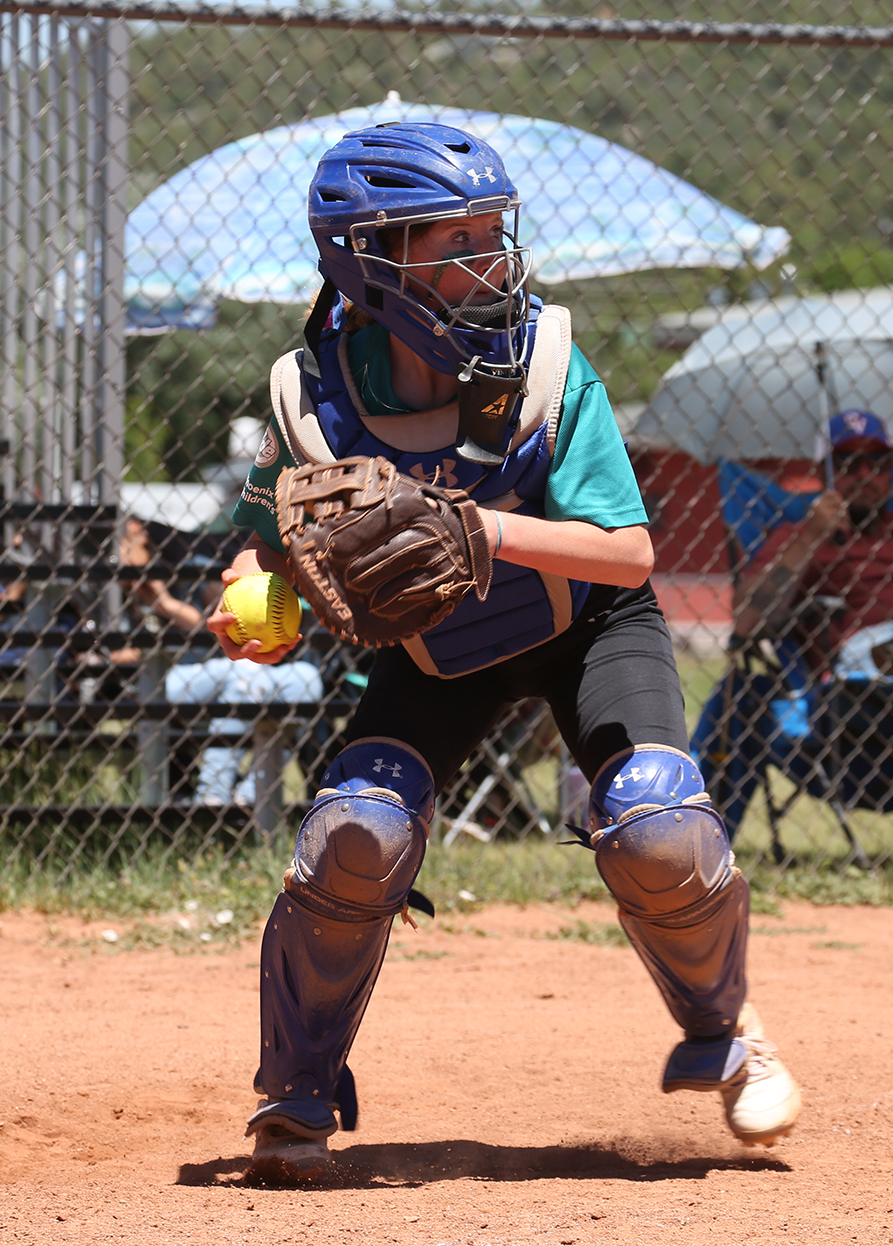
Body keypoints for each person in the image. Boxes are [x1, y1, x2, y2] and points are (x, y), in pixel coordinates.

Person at [211, 121, 801, 1181]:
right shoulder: (312, 398)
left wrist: (485, 529)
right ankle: (295, 1094)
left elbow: (628, 553)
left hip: (584, 627)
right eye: (456, 243)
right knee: (354, 834)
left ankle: (728, 1024)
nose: (493, 262)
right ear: (369, 261)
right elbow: (266, 556)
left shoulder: (547, 365)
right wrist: (255, 612)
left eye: (496, 234)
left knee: (658, 825)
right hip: (437, 652)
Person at [733, 411, 893, 866]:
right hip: (861, 668)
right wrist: (812, 536)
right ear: (825, 473)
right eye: (848, 463)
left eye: (876, 463)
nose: (864, 475)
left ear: (891, 470)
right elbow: (747, 621)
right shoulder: (799, 536)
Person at [116, 518, 322, 806]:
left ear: (139, 535)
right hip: (164, 677)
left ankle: (247, 796)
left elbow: (208, 625)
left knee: (305, 681)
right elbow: (115, 654)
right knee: (241, 678)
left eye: (125, 547)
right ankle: (214, 798)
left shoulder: (179, 569)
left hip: (222, 667)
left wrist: (165, 599)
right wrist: (154, 607)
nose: (120, 558)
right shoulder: (114, 589)